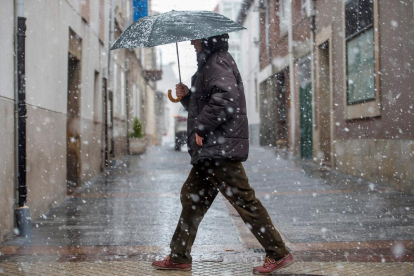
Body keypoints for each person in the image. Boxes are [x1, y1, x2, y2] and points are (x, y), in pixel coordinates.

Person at [152, 34, 294, 274]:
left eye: (195, 40)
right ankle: (179, 256)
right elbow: (209, 102)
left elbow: (226, 98)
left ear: (207, 40)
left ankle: (278, 253)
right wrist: (188, 96)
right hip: (211, 150)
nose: (191, 43)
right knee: (192, 198)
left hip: (220, 148)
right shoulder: (209, 64)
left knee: (243, 199)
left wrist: (202, 127)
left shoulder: (217, 62)